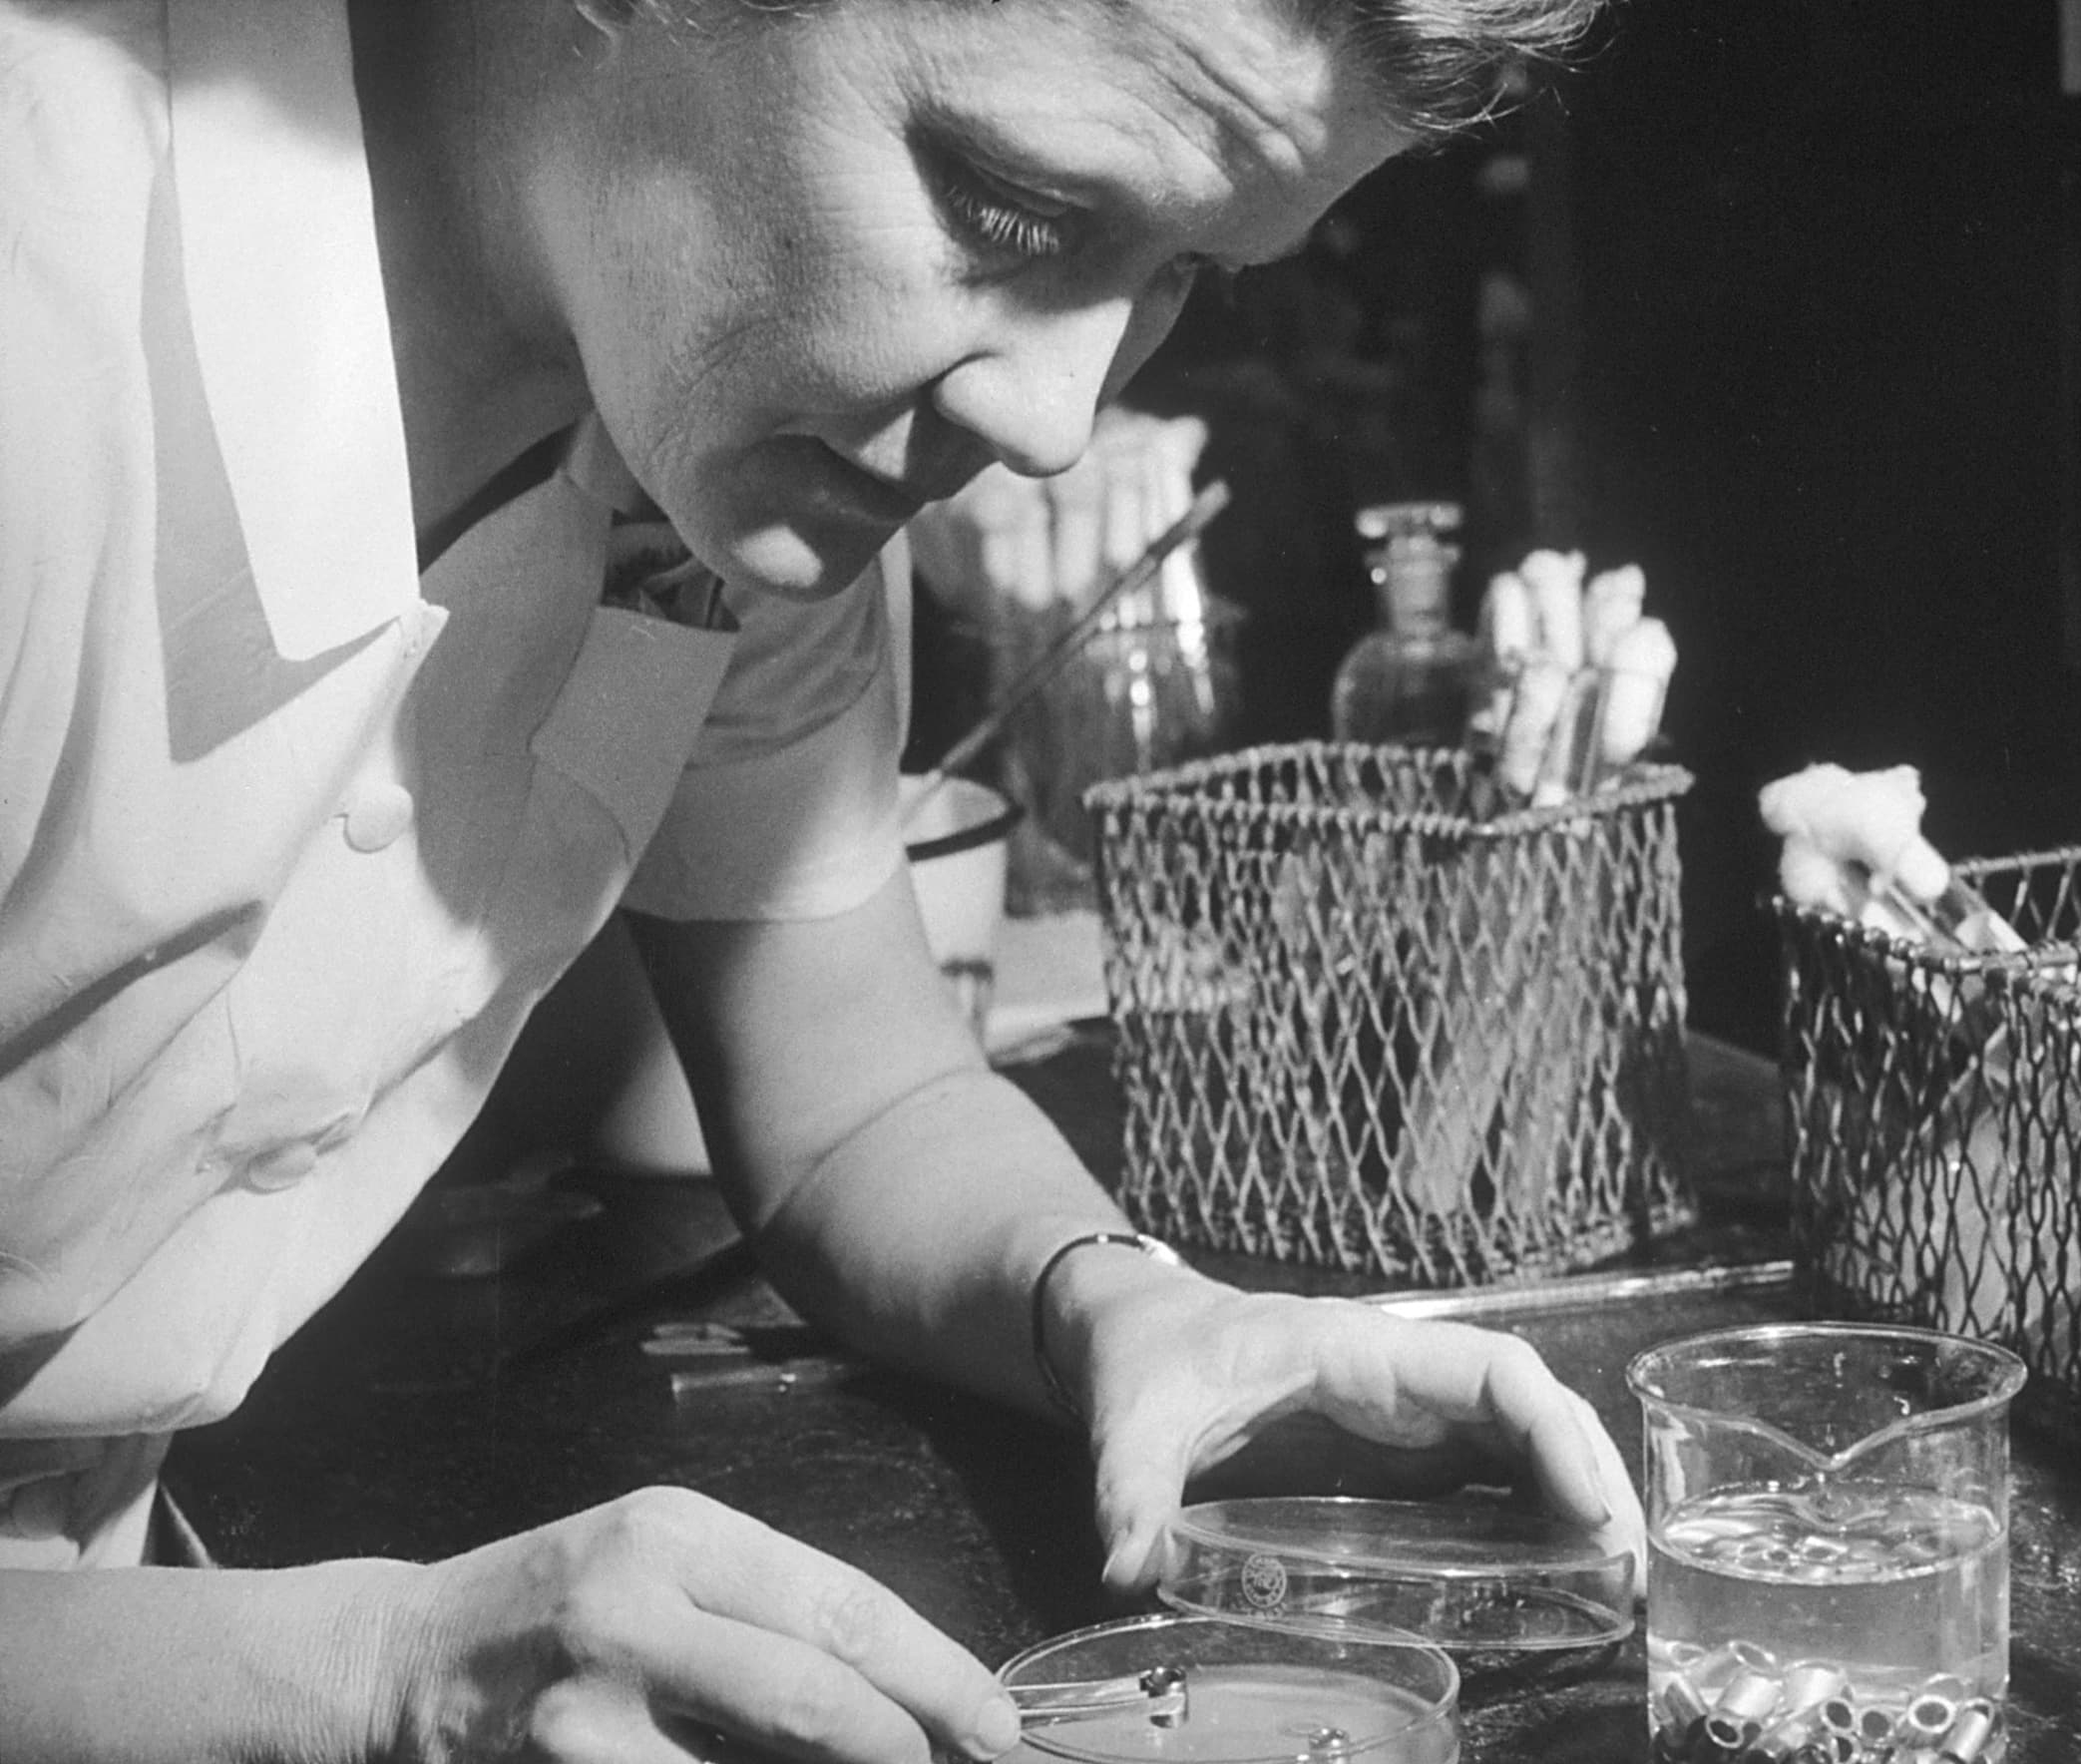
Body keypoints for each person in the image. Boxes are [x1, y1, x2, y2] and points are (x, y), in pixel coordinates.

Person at [0, 0, 1636, 1759]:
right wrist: (394, 1677)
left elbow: (852, 1095)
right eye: (1010, 209)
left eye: (1181, 276)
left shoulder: (719, 406)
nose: (1055, 420)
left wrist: (1134, 1309)